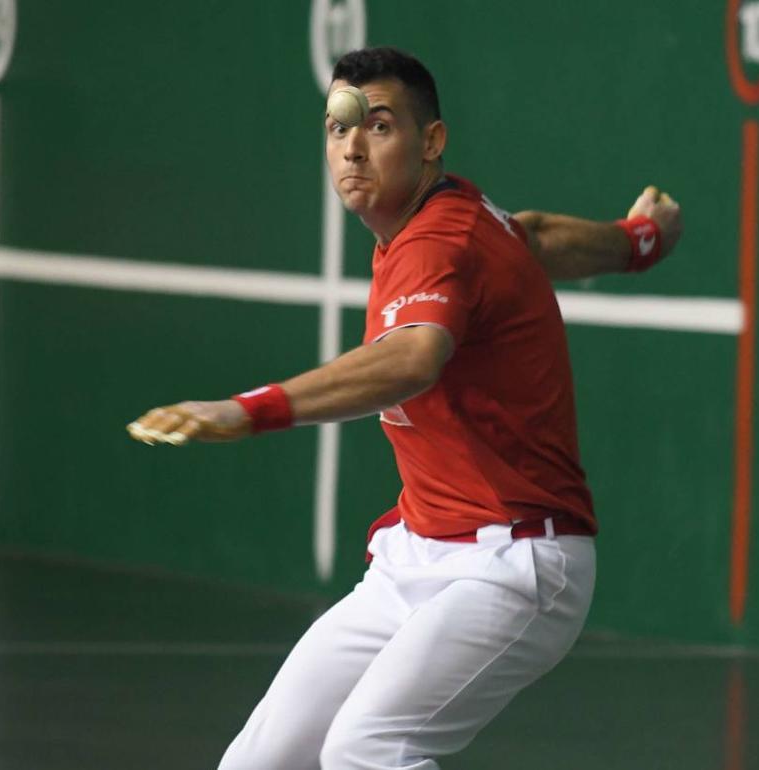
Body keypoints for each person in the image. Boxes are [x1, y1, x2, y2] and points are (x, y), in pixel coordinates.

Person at [127, 47, 682, 770]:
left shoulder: (435, 242)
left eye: (379, 126)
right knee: (261, 760)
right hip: (418, 554)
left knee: (369, 748)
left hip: (515, 562)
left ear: (431, 141)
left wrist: (250, 409)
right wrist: (636, 241)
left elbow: (413, 357)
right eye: (338, 129)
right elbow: (537, 236)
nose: (352, 148)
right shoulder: (460, 218)